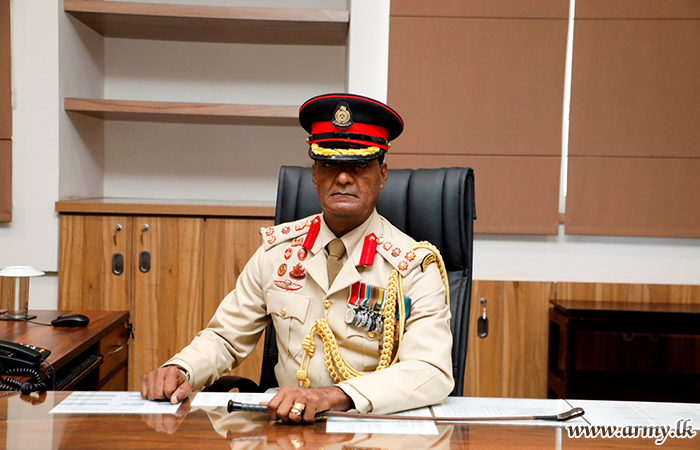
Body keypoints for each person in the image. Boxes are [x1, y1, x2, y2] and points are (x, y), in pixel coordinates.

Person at [141, 93, 454, 422]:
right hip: (284, 425)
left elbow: (431, 370)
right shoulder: (277, 252)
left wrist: (333, 396)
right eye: (329, 164)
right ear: (314, 175)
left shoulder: (412, 265)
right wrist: (182, 368)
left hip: (368, 425)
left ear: (383, 174)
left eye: (360, 165)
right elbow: (224, 337)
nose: (343, 177)